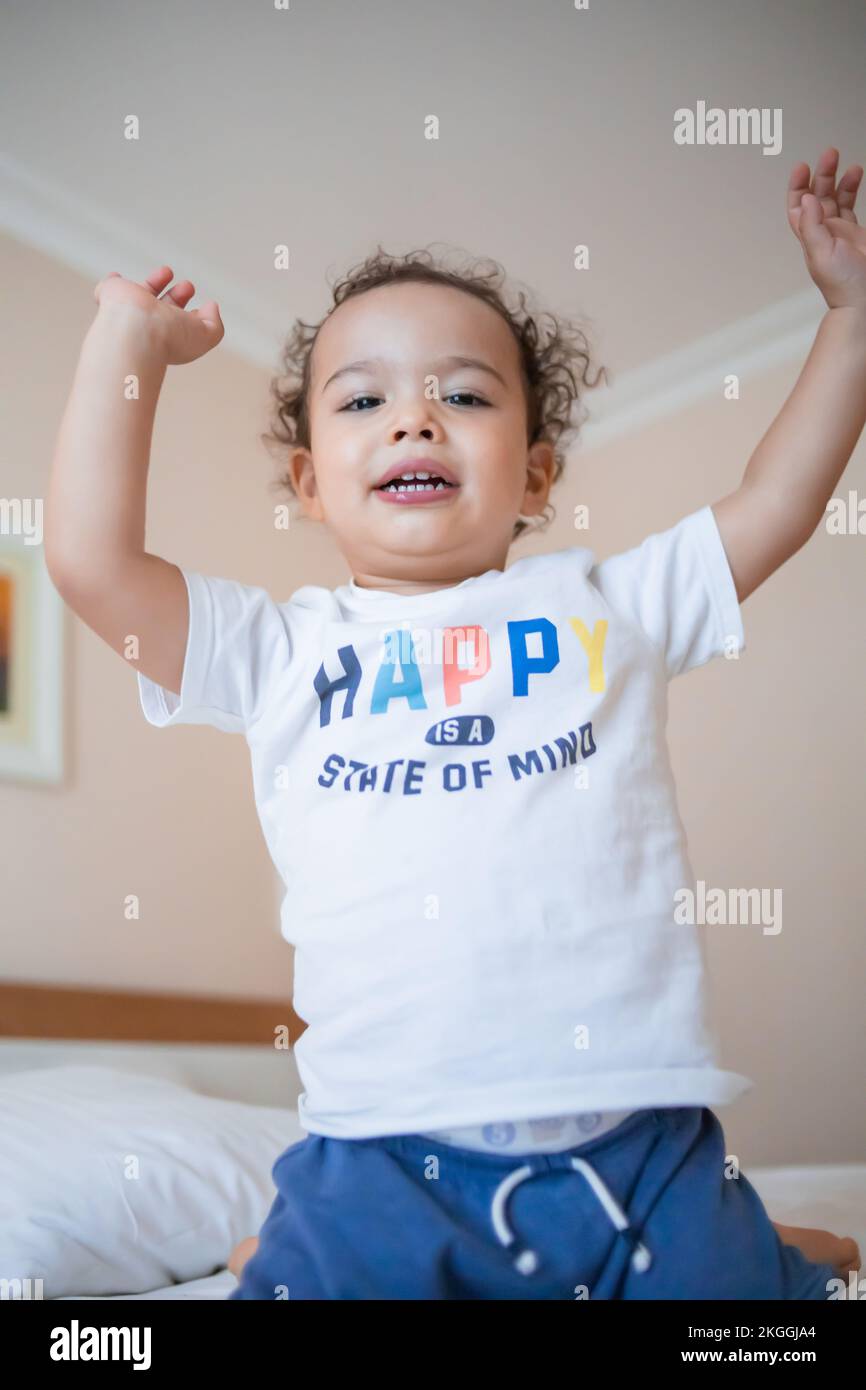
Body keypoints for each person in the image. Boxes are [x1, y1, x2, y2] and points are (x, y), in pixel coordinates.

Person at [45, 145, 865, 1299]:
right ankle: (276, 1238)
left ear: (533, 477)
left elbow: (778, 498)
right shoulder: (280, 652)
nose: (415, 418)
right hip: (382, 1151)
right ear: (311, 481)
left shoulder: (609, 604)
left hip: (638, 1135)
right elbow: (88, 562)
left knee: (750, 1307)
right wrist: (126, 346)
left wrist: (849, 318)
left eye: (465, 394)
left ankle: (770, 1248)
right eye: (364, 399)